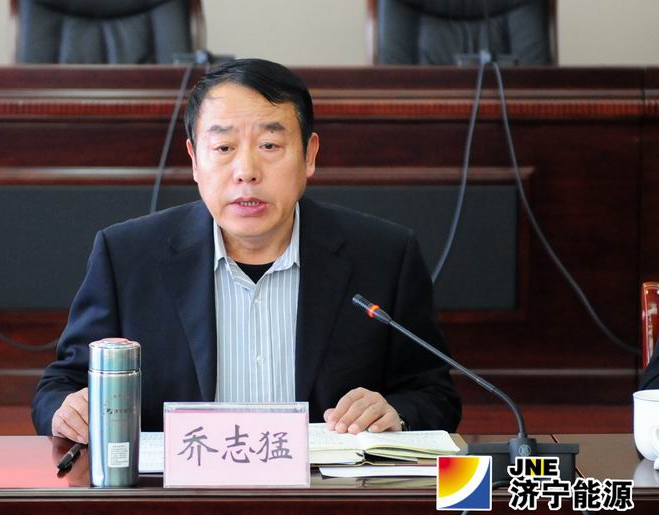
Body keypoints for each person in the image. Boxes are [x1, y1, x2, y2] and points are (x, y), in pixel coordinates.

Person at [32, 58, 461, 443]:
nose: (246, 171)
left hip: (324, 494)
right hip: (175, 496)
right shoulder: (127, 256)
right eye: (223, 148)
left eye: (270, 146)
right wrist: (67, 412)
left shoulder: (384, 255)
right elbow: (61, 385)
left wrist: (396, 413)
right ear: (194, 159)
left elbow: (434, 392)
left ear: (309, 155)